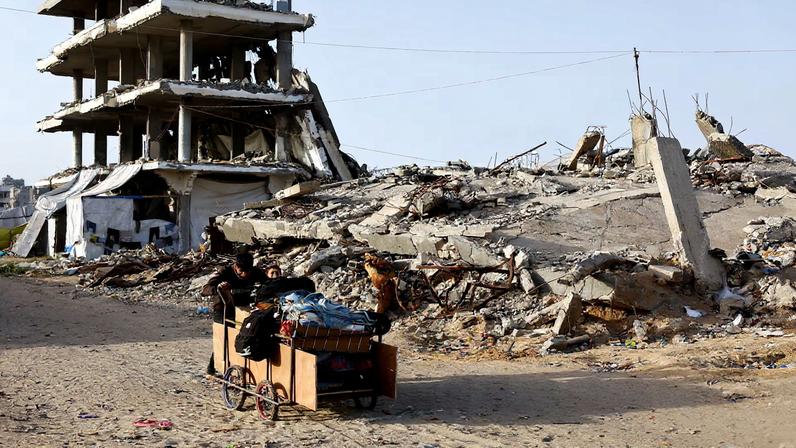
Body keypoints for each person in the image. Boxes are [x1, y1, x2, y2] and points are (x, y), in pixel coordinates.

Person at [202, 252, 269, 376]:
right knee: (223, 337)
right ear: (235, 266)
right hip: (224, 309)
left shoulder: (255, 272)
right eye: (241, 271)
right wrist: (218, 288)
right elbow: (206, 288)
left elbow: (268, 284)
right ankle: (212, 367)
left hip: (244, 309)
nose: (244, 274)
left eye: (247, 272)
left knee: (245, 337)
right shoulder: (224, 272)